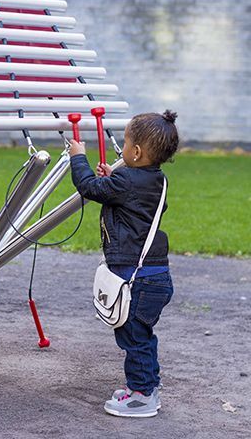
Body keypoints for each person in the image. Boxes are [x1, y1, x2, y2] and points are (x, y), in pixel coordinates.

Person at [69, 111, 179, 418]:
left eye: (126, 143)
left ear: (136, 152)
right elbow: (120, 194)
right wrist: (113, 180)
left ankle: (142, 396)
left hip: (138, 277)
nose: (123, 149)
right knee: (141, 336)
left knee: (134, 338)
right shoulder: (155, 179)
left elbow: (90, 189)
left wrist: (78, 158)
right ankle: (146, 387)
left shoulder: (128, 180)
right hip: (153, 275)